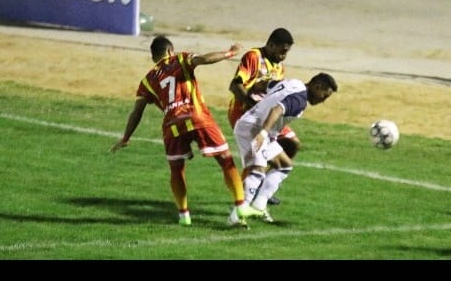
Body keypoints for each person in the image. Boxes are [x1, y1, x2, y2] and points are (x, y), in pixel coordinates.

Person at [110, 35, 263, 228]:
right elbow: (204, 59)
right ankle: (241, 206)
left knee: (177, 170)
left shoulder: (147, 81)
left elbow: (137, 111)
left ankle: (184, 216)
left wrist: (126, 137)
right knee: (225, 160)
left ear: (154, 57)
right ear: (169, 51)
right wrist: (230, 53)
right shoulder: (180, 59)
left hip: (172, 125)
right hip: (197, 116)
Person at [227, 72, 338, 226]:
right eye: (324, 96)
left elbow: (263, 85)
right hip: (255, 129)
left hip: (258, 127)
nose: (323, 101)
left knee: (284, 165)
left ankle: (259, 205)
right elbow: (277, 109)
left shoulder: (293, 83)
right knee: (258, 170)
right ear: (317, 87)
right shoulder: (300, 99)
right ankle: (236, 217)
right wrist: (263, 132)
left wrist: (254, 101)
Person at [227, 27, 299, 205]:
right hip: (243, 112)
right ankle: (243, 199)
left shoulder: (279, 67)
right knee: (255, 158)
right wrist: (253, 106)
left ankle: (261, 186)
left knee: (292, 142)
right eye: (282, 51)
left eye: (287, 52)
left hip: (265, 115)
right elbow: (235, 86)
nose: (284, 56)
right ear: (271, 45)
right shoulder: (254, 57)